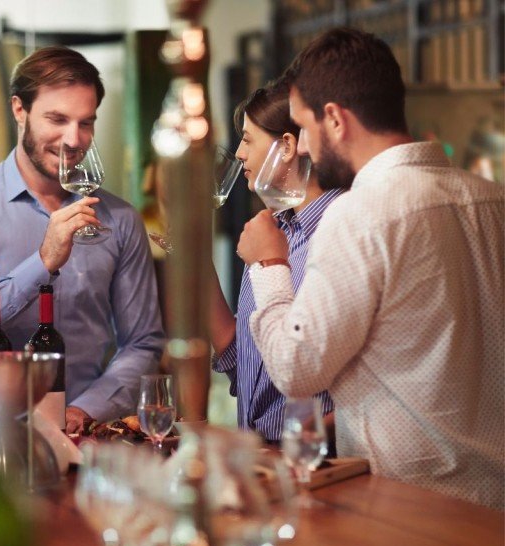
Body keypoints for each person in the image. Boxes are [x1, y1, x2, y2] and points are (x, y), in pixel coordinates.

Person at [238, 27, 504, 508]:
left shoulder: (359, 213)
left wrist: (270, 263)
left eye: (305, 128)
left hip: (414, 503)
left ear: (335, 119)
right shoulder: (492, 200)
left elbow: (297, 370)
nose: (302, 149)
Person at [0, 46, 165, 434]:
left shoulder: (119, 220)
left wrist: (84, 411)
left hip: (87, 438)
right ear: (19, 110)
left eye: (86, 123)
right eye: (57, 119)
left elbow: (142, 343)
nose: (73, 139)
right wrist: (43, 262)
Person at [210, 81, 344, 443]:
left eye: (248, 139)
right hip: (263, 460)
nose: (238, 153)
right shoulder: (272, 231)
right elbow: (247, 365)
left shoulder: (338, 233)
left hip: (318, 463)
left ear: (287, 146)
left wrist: (299, 441)